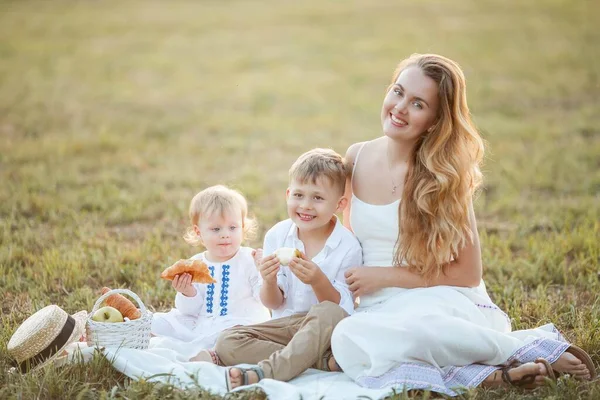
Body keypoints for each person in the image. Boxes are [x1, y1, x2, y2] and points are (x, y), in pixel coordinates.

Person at [328, 54, 596, 395]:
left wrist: (384, 276)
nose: (399, 108)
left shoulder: (444, 177)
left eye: (418, 104)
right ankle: (494, 375)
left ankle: (522, 348)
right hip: (375, 307)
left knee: (421, 330)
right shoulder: (356, 156)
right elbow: (347, 239)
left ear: (435, 120)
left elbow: (468, 274)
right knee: (346, 337)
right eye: (397, 92)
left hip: (435, 297)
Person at [211, 148, 363, 390]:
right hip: (286, 326)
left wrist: (318, 280)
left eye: (318, 198)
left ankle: (264, 372)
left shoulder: (347, 245)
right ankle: (323, 363)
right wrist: (269, 280)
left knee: (327, 312)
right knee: (227, 341)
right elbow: (272, 303)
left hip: (325, 331)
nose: (306, 205)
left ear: (339, 204)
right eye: (299, 195)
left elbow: (339, 308)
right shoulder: (278, 235)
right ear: (288, 194)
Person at [151, 185, 270, 362]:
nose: (225, 235)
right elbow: (189, 311)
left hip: (241, 323)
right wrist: (187, 292)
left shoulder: (249, 259)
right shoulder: (197, 263)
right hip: (203, 323)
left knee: (229, 338)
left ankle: (213, 355)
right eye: (216, 229)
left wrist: (263, 272)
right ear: (199, 232)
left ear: (243, 227)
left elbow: (263, 299)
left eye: (232, 227)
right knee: (157, 321)